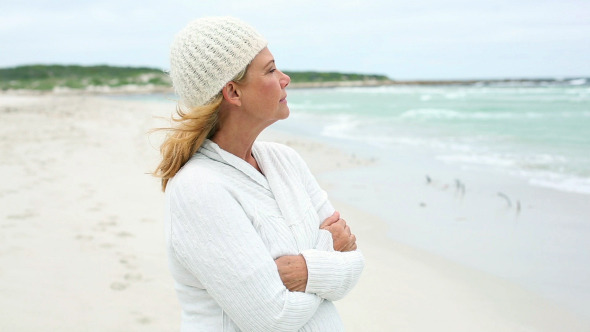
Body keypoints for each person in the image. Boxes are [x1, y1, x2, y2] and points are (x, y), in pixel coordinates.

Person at [155, 17, 364, 331]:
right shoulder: (198, 189)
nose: (285, 78)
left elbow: (355, 262)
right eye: (270, 70)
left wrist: (305, 270)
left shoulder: (285, 160)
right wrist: (328, 249)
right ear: (233, 93)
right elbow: (273, 318)